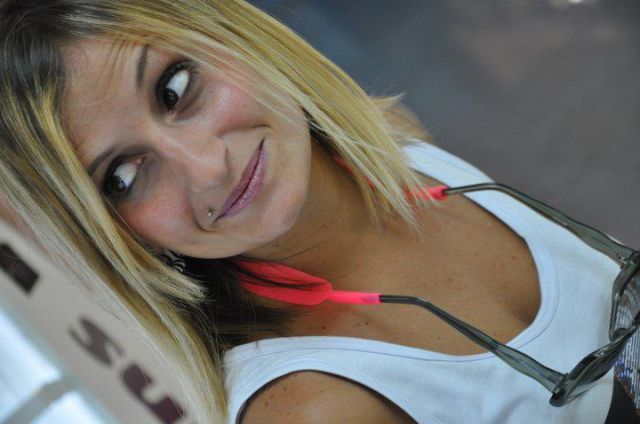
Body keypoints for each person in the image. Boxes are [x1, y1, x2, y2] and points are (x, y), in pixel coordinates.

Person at [0, 1, 636, 423]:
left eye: (176, 89)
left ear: (227, 31)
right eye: (124, 176)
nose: (206, 167)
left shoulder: (386, 146)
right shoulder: (313, 406)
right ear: (110, 235)